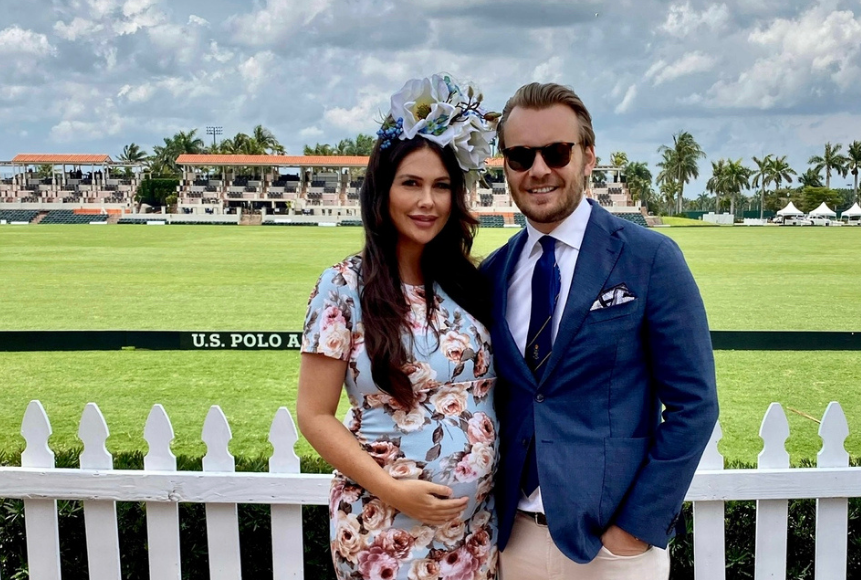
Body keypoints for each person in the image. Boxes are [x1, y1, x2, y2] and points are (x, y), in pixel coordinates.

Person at [480, 82, 719, 579]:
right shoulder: (493, 274)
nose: (539, 169)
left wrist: (633, 530)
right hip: (512, 542)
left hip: (612, 552)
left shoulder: (650, 259)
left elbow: (695, 405)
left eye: (556, 151)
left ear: (588, 157)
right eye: (521, 155)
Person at [297, 73, 502, 580]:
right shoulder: (343, 286)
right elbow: (314, 414)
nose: (426, 202)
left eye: (441, 186)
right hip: (383, 529)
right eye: (411, 183)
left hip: (473, 532)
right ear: (382, 190)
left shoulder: (469, 284)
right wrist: (394, 490)